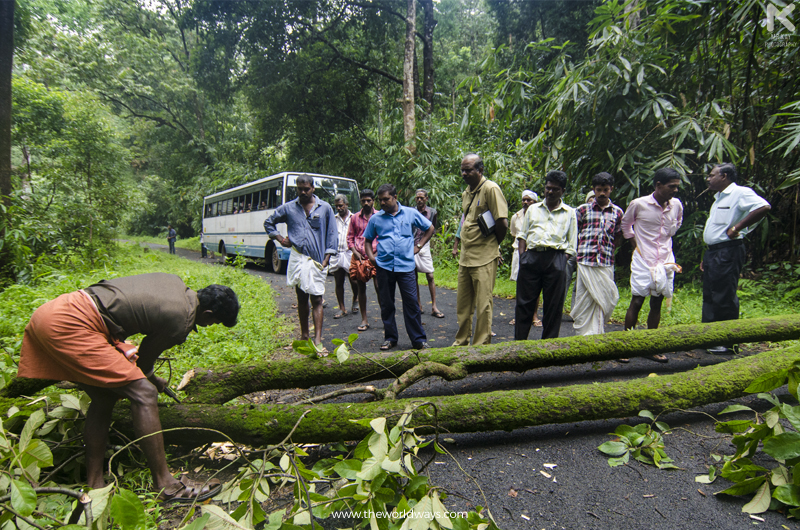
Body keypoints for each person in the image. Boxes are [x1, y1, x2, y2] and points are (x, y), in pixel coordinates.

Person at [17, 273, 239, 500]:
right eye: (215, 322)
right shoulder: (181, 318)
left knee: (105, 396)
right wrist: (152, 379)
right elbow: (143, 364)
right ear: (208, 314)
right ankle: (166, 484)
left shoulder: (174, 283)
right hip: (72, 323)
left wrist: (148, 373)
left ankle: (94, 484)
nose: (211, 325)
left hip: (57, 309)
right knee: (144, 393)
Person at [702, 163, 770, 354]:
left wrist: (738, 228)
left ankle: (727, 342)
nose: (709, 178)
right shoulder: (718, 198)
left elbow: (763, 207)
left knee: (723, 295)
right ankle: (707, 337)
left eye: (712, 174)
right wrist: (706, 255)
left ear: (724, 176)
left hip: (728, 251)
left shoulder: (740, 193)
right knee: (709, 294)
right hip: (713, 252)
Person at [264, 175, 337, 353]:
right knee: (301, 297)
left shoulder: (325, 208)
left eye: (306, 189)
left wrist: (327, 258)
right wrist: (280, 238)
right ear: (296, 189)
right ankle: (304, 336)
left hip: (318, 260)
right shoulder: (289, 208)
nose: (303, 192)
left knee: (317, 298)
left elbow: (332, 234)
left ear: (313, 188)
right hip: (298, 257)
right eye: (300, 189)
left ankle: (318, 340)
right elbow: (269, 222)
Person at [620, 168, 684, 363]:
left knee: (657, 301)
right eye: (671, 186)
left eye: (677, 187)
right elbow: (625, 225)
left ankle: (651, 346)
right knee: (637, 300)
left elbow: (678, 222)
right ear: (658, 185)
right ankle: (626, 347)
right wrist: (635, 244)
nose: (675, 190)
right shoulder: (638, 204)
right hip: (643, 259)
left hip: (665, 260)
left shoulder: (676, 205)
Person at [364, 184, 435, 350]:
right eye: (380, 200)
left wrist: (418, 246)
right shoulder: (376, 218)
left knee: (411, 303)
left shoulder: (410, 213)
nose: (382, 203)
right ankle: (390, 338)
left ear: (395, 197)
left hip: (406, 267)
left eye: (386, 199)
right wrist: (371, 258)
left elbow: (430, 228)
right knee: (387, 304)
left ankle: (418, 340)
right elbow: (367, 240)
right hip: (384, 267)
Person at [453, 154, 509, 347]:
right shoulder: (466, 193)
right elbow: (465, 221)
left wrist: (494, 245)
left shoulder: (490, 189)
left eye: (468, 170)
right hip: (466, 257)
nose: (464, 173)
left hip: (484, 257)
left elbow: (502, 223)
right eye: (462, 169)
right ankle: (460, 342)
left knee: (483, 305)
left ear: (480, 170)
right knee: (463, 305)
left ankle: (480, 347)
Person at [514, 171, 577, 341]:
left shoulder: (569, 212)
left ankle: (548, 346)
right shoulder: (533, 209)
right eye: (548, 188)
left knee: (553, 306)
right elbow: (523, 235)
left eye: (555, 189)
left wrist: (562, 261)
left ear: (562, 191)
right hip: (531, 258)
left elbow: (572, 244)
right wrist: (523, 257)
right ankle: (519, 345)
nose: (550, 192)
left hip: (556, 259)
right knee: (524, 303)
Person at [570, 172, 624, 336]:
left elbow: (619, 235)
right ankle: (583, 338)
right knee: (583, 300)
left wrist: (611, 249)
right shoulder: (582, 210)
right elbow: (574, 233)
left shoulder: (617, 212)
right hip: (585, 261)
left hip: (605, 262)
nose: (602, 193)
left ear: (611, 190)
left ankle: (597, 335)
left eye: (605, 190)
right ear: (593, 189)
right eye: (599, 189)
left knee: (605, 298)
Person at [347, 189, 381, 332]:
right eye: (363, 200)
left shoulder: (380, 216)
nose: (366, 203)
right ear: (360, 201)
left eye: (369, 200)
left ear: (373, 201)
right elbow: (350, 238)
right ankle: (364, 319)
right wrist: (355, 252)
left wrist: (377, 253)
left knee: (380, 288)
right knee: (361, 288)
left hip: (376, 256)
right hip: (360, 256)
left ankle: (385, 318)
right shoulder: (354, 218)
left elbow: (384, 237)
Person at [509, 190, 540, 327]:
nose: (526, 202)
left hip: (534, 252)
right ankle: (519, 316)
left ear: (535, 202)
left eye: (529, 200)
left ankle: (534, 315)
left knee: (536, 285)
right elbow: (514, 233)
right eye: (524, 200)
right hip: (518, 252)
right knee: (520, 286)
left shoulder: (540, 216)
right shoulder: (516, 217)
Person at [413, 189, 444, 318]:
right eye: (417, 198)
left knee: (430, 275)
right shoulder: (412, 212)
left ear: (426, 198)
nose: (419, 200)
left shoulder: (432, 212)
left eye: (422, 198)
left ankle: (434, 306)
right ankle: (418, 304)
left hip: (424, 245)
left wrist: (423, 243)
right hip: (412, 245)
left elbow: (432, 228)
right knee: (413, 275)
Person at [329, 194, 359, 319]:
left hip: (350, 252)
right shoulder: (333, 218)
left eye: (341, 205)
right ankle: (342, 308)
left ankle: (356, 298)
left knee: (354, 279)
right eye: (336, 206)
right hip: (337, 252)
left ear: (346, 205)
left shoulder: (354, 218)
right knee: (338, 281)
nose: (339, 208)